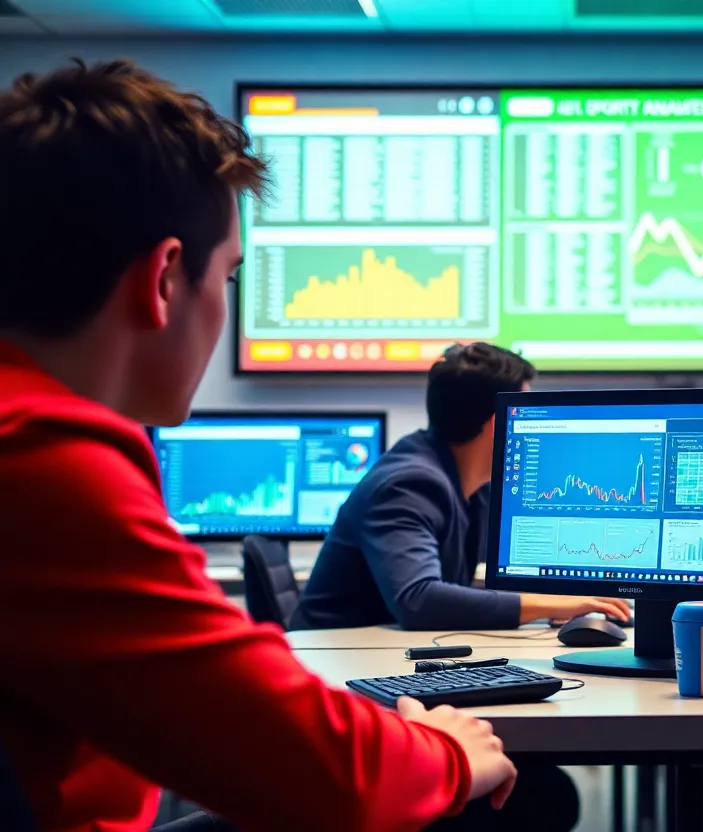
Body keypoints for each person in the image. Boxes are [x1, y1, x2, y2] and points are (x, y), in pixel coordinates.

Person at [0, 59, 516, 832]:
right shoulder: (44, 457)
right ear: (166, 278)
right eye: (232, 278)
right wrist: (440, 750)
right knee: (455, 806)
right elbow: (318, 769)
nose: (224, 306)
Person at [290, 342, 632, 632]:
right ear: (501, 422)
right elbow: (419, 599)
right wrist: (551, 604)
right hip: (335, 667)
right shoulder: (408, 485)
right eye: (527, 414)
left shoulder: (471, 483)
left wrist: (569, 597)